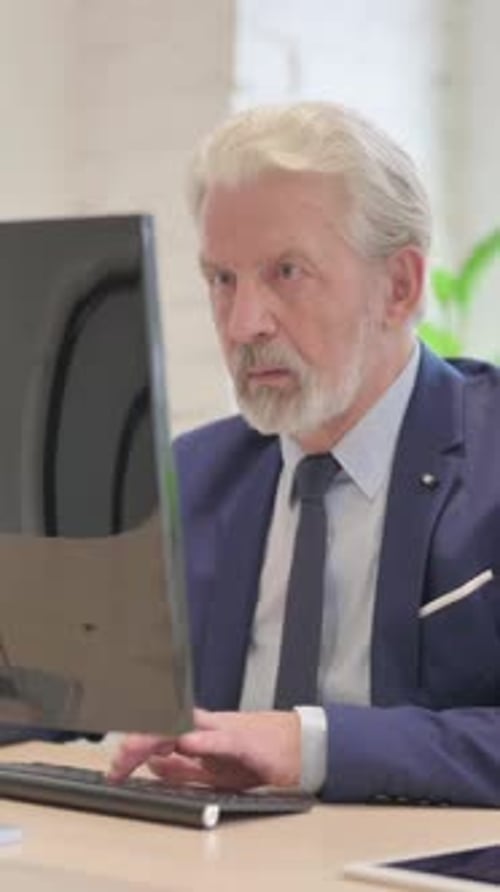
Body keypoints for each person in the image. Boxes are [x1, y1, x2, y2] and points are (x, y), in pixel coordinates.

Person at [109, 101, 500, 805]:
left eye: (285, 272)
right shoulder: (193, 476)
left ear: (400, 287)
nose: (243, 323)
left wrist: (307, 743)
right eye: (222, 280)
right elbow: (70, 696)